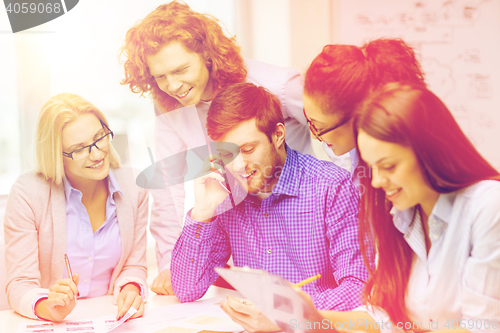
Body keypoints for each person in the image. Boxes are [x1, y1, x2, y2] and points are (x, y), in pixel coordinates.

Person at [120, 0, 311, 296]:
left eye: (181, 69)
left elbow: (338, 138)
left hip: (300, 224)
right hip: (240, 238)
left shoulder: (279, 86)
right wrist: (171, 261)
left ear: (207, 55)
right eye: (160, 76)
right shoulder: (167, 103)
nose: (172, 85)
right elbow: (168, 189)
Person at [170, 82, 367, 332]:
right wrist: (203, 212)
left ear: (278, 135)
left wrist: (287, 314)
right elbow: (187, 289)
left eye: (248, 149)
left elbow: (358, 287)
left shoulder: (331, 186)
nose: (239, 165)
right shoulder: (226, 194)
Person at [313, 83, 500, 333]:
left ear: (430, 152)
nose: (377, 182)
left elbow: (483, 327)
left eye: (389, 166)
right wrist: (312, 317)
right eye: (372, 168)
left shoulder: (487, 207)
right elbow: (383, 316)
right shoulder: (399, 214)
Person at [4, 93, 148, 321]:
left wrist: (131, 291)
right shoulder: (28, 193)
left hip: (112, 319)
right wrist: (48, 306)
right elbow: (19, 284)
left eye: (99, 137)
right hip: (57, 324)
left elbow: (134, 265)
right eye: (79, 149)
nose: (97, 153)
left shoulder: (134, 185)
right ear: (57, 156)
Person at [303, 38, 425, 188]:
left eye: (319, 127)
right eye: (309, 120)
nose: (314, 136)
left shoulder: (402, 166)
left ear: (358, 117)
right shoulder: (355, 155)